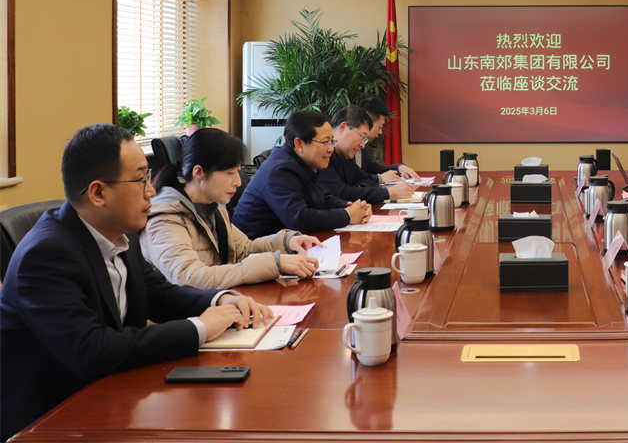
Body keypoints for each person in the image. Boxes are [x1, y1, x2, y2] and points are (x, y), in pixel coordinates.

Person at [0, 124, 272, 441]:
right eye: (141, 179)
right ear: (98, 193)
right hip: (52, 420)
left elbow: (158, 293)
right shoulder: (46, 255)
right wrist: (199, 327)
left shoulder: (118, 233)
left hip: (114, 395)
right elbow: (92, 350)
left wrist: (219, 300)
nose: (151, 190)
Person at [141, 128, 322, 288]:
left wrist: (286, 242)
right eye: (229, 173)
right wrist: (275, 264)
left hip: (218, 302)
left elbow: (243, 250)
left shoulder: (213, 205)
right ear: (199, 172)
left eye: (237, 171)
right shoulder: (165, 218)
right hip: (188, 312)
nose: (237, 181)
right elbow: (190, 278)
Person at [232, 110, 373, 237]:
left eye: (332, 141)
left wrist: (351, 207)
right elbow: (299, 219)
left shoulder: (303, 162)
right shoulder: (281, 170)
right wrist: (348, 215)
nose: (331, 149)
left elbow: (323, 198)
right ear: (299, 144)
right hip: (256, 249)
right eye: (325, 142)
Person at [321, 105, 416, 205]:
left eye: (365, 139)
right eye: (362, 136)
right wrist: (388, 193)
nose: (363, 145)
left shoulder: (345, 154)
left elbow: (366, 178)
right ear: (343, 127)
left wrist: (356, 190)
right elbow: (341, 193)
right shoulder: (322, 155)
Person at [357, 97, 420, 183]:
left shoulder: (362, 145)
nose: (380, 132)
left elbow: (372, 168)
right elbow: (355, 179)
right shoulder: (348, 148)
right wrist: (380, 179)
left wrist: (398, 168)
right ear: (368, 123)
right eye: (380, 127)